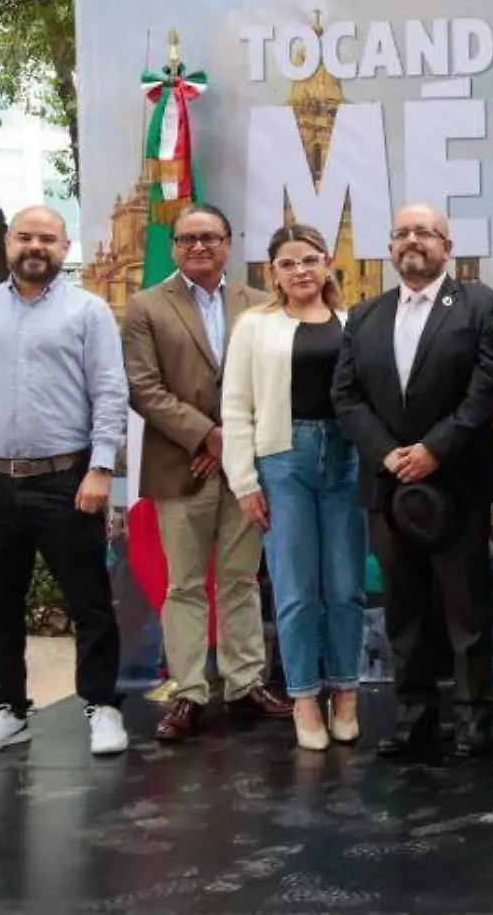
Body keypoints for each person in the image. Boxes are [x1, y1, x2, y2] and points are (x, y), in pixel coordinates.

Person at [0, 205, 130, 759]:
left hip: (67, 481)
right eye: (24, 237)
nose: (34, 246)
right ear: (7, 243)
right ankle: (9, 711)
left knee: (89, 601)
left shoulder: (88, 313)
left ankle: (102, 705)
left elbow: (110, 393)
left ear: (64, 248)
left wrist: (101, 467)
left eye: (47, 238)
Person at [333, 203, 493, 760]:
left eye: (425, 232)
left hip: (455, 480)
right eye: (402, 233)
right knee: (404, 610)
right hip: (388, 486)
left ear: (446, 244)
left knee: (464, 609)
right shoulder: (365, 316)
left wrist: (434, 450)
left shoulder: (482, 305)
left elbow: (490, 388)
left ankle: (473, 718)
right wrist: (390, 455)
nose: (413, 241)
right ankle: (413, 716)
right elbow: (346, 395)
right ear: (389, 248)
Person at [122, 204, 290, 741]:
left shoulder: (262, 304)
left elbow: (273, 385)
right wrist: (208, 436)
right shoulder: (148, 306)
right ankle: (190, 691)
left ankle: (244, 684)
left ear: (228, 243)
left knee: (241, 579)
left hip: (245, 469)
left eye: (210, 238)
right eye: (188, 238)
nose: (199, 246)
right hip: (180, 467)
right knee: (186, 585)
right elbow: (144, 389)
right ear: (173, 246)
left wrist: (231, 444)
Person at [222, 223, 367, 751]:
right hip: (283, 460)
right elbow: (235, 407)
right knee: (296, 588)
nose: (301, 270)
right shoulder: (254, 327)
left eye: (309, 259)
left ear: (327, 263)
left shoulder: (354, 322)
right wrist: (243, 480)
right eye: (288, 263)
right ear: (273, 273)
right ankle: (305, 697)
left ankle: (346, 693)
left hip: (345, 457)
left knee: (346, 585)